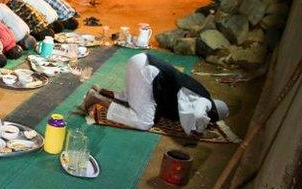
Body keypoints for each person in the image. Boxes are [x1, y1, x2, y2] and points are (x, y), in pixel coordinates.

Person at [82, 53, 230, 135]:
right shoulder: (206, 101)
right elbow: (198, 115)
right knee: (144, 122)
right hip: (148, 71)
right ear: (213, 112)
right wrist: (200, 128)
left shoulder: (196, 92)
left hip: (139, 60)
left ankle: (101, 90)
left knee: (133, 99)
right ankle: (97, 98)